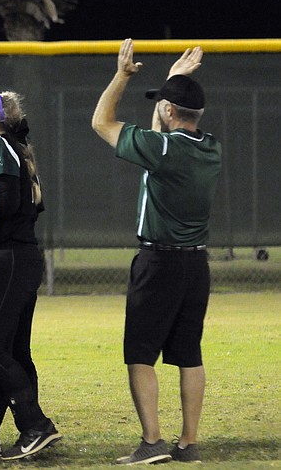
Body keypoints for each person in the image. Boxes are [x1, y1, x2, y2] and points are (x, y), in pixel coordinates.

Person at [91, 39, 222, 465]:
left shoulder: (163, 149)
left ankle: (152, 442)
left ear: (168, 111)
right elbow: (161, 135)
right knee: (189, 355)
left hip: (159, 262)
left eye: (163, 104)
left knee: (139, 354)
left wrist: (123, 76)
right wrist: (173, 83)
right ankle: (188, 444)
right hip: (195, 264)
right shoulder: (210, 147)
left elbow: (101, 122)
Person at [0, 91, 61, 460]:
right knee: (15, 351)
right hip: (20, 258)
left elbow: (2, 205)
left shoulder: (0, 148)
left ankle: (35, 425)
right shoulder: (12, 147)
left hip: (8, 259)